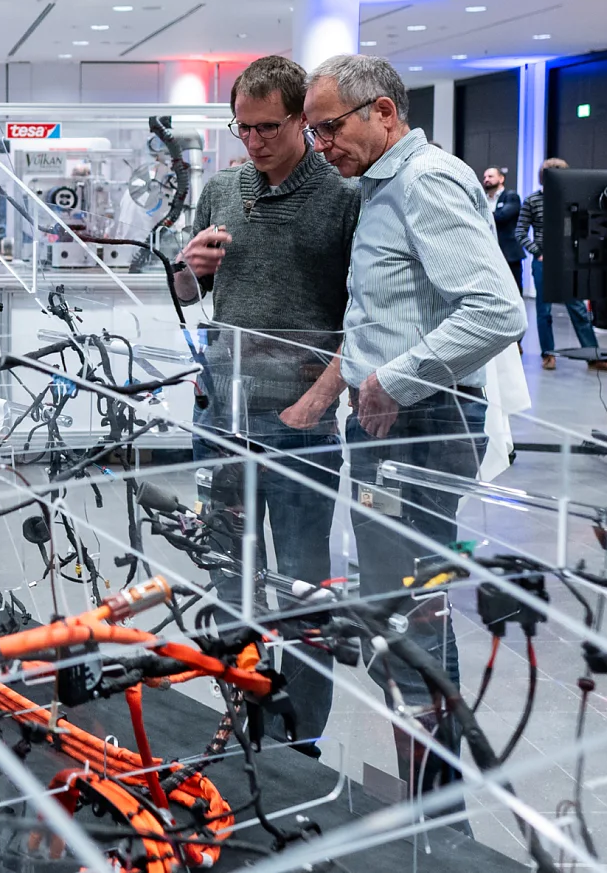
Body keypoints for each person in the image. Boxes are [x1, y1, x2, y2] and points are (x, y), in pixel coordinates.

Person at [304, 55, 525, 800]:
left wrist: (393, 379)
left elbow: (497, 311)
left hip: (419, 422)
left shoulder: (425, 180)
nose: (321, 143)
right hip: (390, 425)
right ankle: (426, 802)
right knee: (398, 614)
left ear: (385, 113)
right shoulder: (381, 187)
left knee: (411, 618)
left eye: (329, 126)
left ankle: (440, 818)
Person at [171, 55, 359, 746]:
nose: (252, 141)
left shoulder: (344, 197)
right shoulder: (222, 190)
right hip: (223, 416)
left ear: (302, 119)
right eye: (241, 128)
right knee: (227, 572)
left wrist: (316, 400)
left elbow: (364, 314)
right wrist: (188, 270)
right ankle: (241, 710)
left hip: (303, 422)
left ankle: (300, 736)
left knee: (305, 581)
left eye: (267, 128)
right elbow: (190, 295)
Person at [516, 157, 602, 371]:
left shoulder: (573, 200)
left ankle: (593, 354)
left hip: (569, 261)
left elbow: (583, 230)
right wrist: (537, 252)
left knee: (578, 309)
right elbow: (520, 232)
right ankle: (548, 354)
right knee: (543, 312)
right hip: (543, 262)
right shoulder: (532, 200)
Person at [483, 167, 525, 291]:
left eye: (490, 177)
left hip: (509, 252)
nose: (486, 180)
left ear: (501, 178)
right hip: (488, 252)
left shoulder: (511, 197)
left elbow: (502, 216)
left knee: (514, 289)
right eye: (485, 177)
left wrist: (482, 215)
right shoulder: (482, 198)